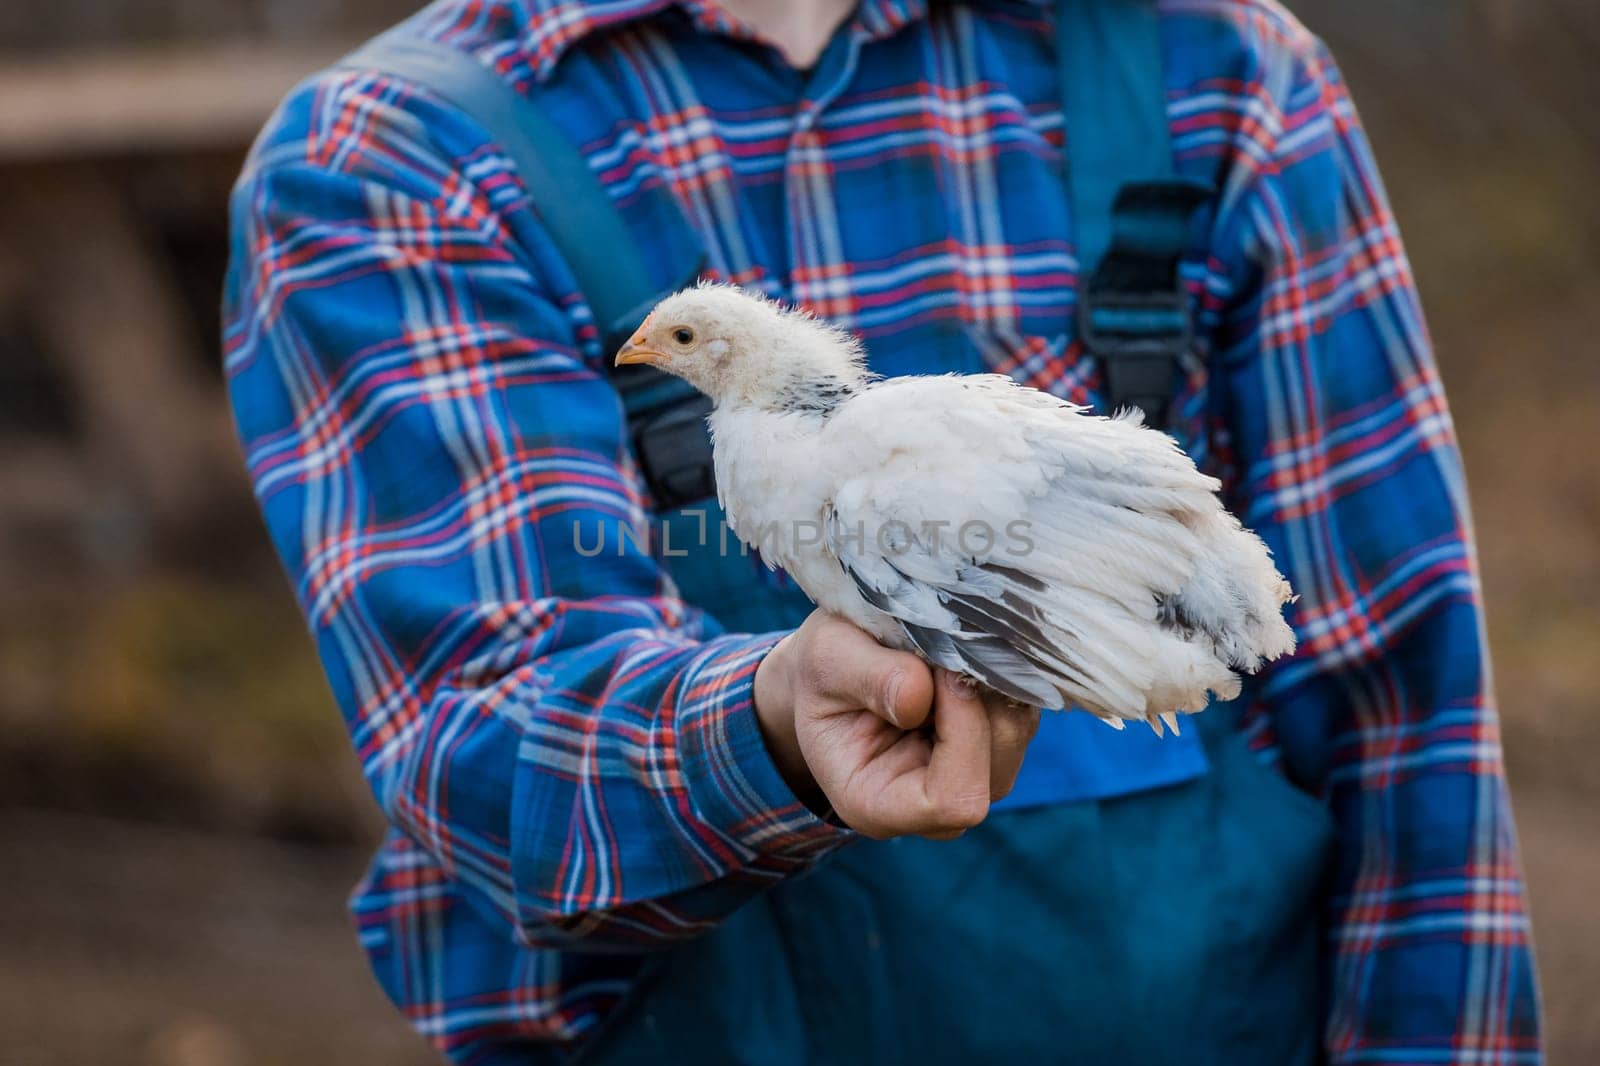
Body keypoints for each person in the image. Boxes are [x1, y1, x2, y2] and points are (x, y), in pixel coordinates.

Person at [224, 0, 1541, 1062]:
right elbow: (480, 750)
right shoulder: (398, 157)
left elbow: (1403, 713)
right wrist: (771, 719)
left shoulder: (1218, 70)